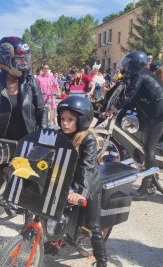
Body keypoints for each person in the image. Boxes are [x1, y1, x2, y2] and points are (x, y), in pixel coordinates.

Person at [108, 51, 163, 198]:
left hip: (162, 112)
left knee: (148, 147)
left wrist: (115, 107)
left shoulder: (139, 74)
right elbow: (137, 97)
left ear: (133, 64)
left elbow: (129, 94)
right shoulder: (146, 74)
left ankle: (147, 185)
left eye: (127, 63)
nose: (124, 66)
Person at [46, 96, 107, 267]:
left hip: (88, 184)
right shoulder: (59, 134)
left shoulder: (87, 139)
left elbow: (87, 168)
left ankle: (102, 262)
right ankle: (54, 242)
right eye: (63, 119)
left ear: (81, 120)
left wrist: (82, 192)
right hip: (67, 180)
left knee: (94, 226)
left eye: (70, 120)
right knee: (52, 212)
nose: (65, 123)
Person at [0, 36, 47, 141]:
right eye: (20, 59)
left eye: (26, 58)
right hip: (1, 144)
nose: (24, 63)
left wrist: (42, 139)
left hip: (27, 142)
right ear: (6, 60)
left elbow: (41, 111)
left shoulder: (31, 81)